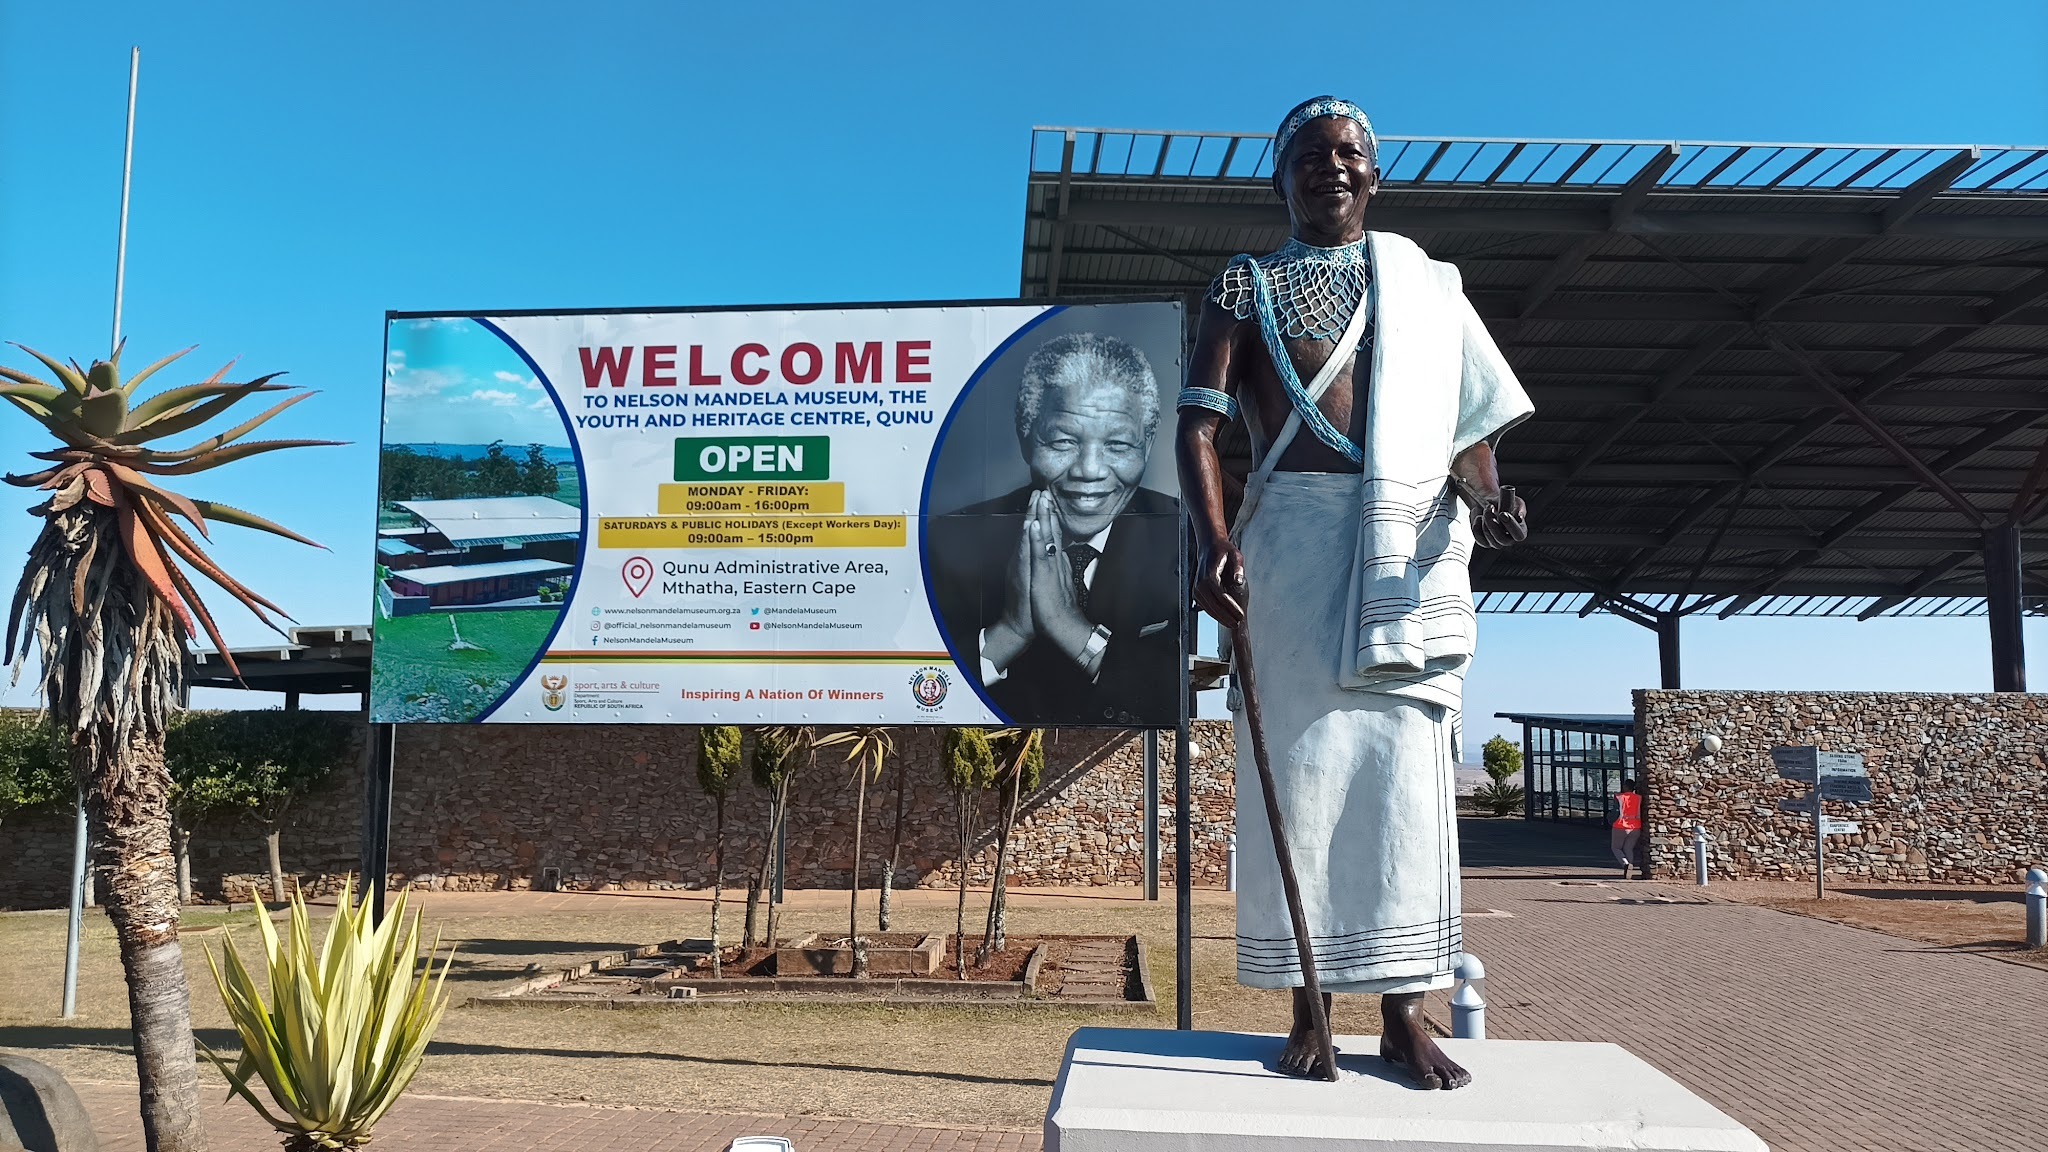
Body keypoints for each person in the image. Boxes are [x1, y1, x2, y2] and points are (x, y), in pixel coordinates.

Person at [1176, 97, 1532, 1089]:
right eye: (1307, 154)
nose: (1330, 166)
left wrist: (1491, 504)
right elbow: (1196, 428)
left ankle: (1404, 1014)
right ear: (1278, 177)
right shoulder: (1242, 286)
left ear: (1373, 174)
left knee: (1403, 783)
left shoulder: (1426, 289)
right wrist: (1210, 542)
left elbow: (1470, 434)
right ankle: (1307, 1008)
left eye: (1348, 153)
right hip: (1286, 541)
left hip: (1404, 547)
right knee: (1299, 777)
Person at [929, 331, 1179, 727]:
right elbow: (918, 686)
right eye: (1063, 441)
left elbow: (1177, 694)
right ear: (1026, 439)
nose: (1089, 471)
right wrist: (1009, 631)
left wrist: (1069, 626)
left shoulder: (1187, 540)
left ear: (1147, 446)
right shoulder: (950, 540)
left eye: (1117, 445)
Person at [1610, 777, 1644, 879]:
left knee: (1616, 848)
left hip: (1620, 825)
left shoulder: (1619, 797)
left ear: (1625, 786)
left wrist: (1609, 820)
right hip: (1635, 826)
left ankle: (1625, 864)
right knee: (1628, 848)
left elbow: (1615, 811)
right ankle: (1630, 868)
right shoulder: (1638, 798)